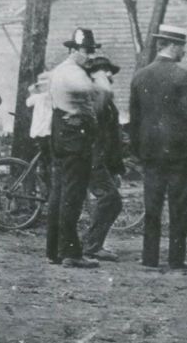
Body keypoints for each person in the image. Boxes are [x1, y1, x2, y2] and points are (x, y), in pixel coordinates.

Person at [128, 24, 187, 271]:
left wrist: (137, 149)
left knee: (152, 204)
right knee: (179, 205)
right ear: (173, 46)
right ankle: (176, 258)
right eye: (182, 46)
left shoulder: (140, 75)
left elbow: (134, 118)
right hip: (178, 153)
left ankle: (149, 256)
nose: (184, 52)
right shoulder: (182, 76)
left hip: (150, 152)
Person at [46, 27, 106, 268]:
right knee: (72, 195)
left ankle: (54, 250)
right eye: (86, 51)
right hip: (75, 137)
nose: (90, 56)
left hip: (61, 133)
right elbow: (99, 93)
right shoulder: (76, 73)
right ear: (73, 50)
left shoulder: (60, 71)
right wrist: (99, 76)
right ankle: (70, 252)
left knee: (59, 194)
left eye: (91, 51)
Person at [82, 54, 125, 263]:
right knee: (110, 199)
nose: (110, 74)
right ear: (93, 75)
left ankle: (92, 244)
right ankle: (91, 246)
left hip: (100, 158)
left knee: (109, 200)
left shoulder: (103, 97)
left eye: (110, 70)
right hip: (92, 157)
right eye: (104, 70)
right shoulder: (96, 95)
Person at [25, 74, 53, 190]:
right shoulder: (50, 96)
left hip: (37, 133)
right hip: (47, 132)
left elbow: (28, 103)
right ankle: (47, 189)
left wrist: (32, 91)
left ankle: (44, 189)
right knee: (48, 163)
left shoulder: (37, 97)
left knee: (42, 163)